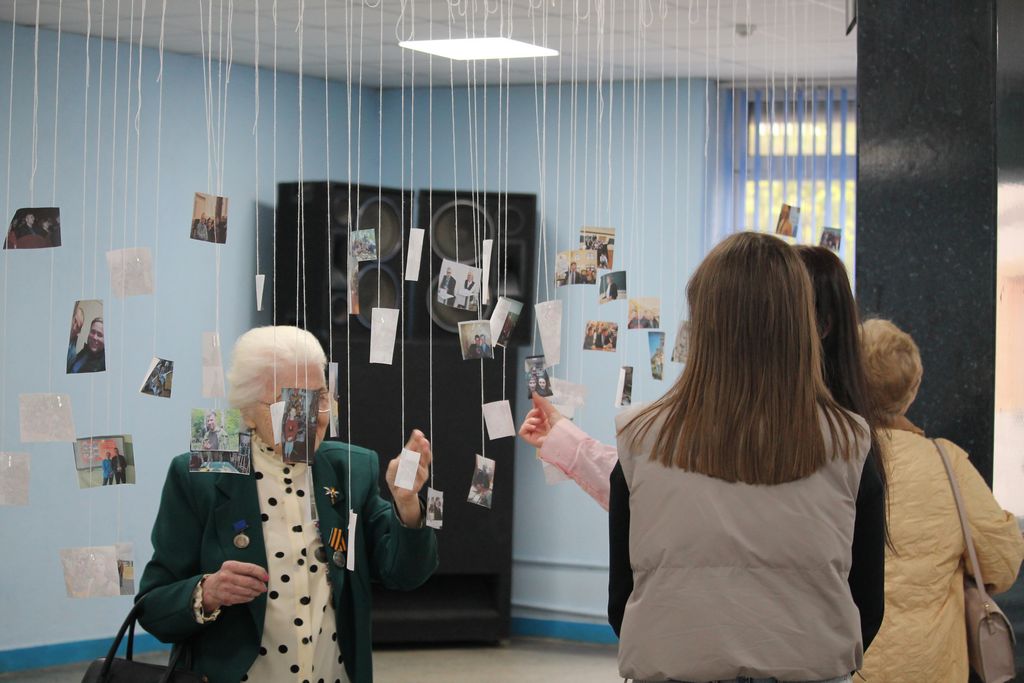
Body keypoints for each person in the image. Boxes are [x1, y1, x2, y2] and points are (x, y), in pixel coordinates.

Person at [522, 233, 884, 682]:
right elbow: (867, 606)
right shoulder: (850, 441)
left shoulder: (639, 436)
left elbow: (623, 600)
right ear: (801, 322)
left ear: (702, 322)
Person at [138, 326, 438, 683]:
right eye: (291, 403)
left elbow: (406, 573)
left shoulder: (350, 468)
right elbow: (153, 606)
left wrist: (407, 503)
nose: (310, 418)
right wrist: (208, 592)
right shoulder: (202, 475)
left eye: (320, 398)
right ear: (248, 412)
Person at [856, 319, 1024, 682]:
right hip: (931, 667)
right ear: (913, 389)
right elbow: (1002, 562)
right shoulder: (948, 463)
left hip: (850, 666)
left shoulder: (830, 459)